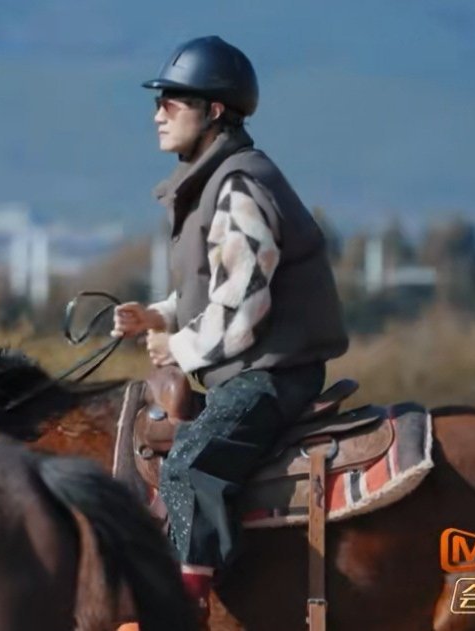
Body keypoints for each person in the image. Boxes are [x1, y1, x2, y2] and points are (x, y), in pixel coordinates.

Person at [112, 35, 349, 623]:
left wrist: (177, 346)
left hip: (272, 376)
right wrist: (161, 315)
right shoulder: (216, 180)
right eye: (158, 102)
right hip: (252, 368)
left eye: (172, 102)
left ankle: (182, 612)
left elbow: (243, 306)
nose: (158, 114)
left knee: (191, 464)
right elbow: (215, 284)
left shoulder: (240, 186)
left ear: (214, 111)